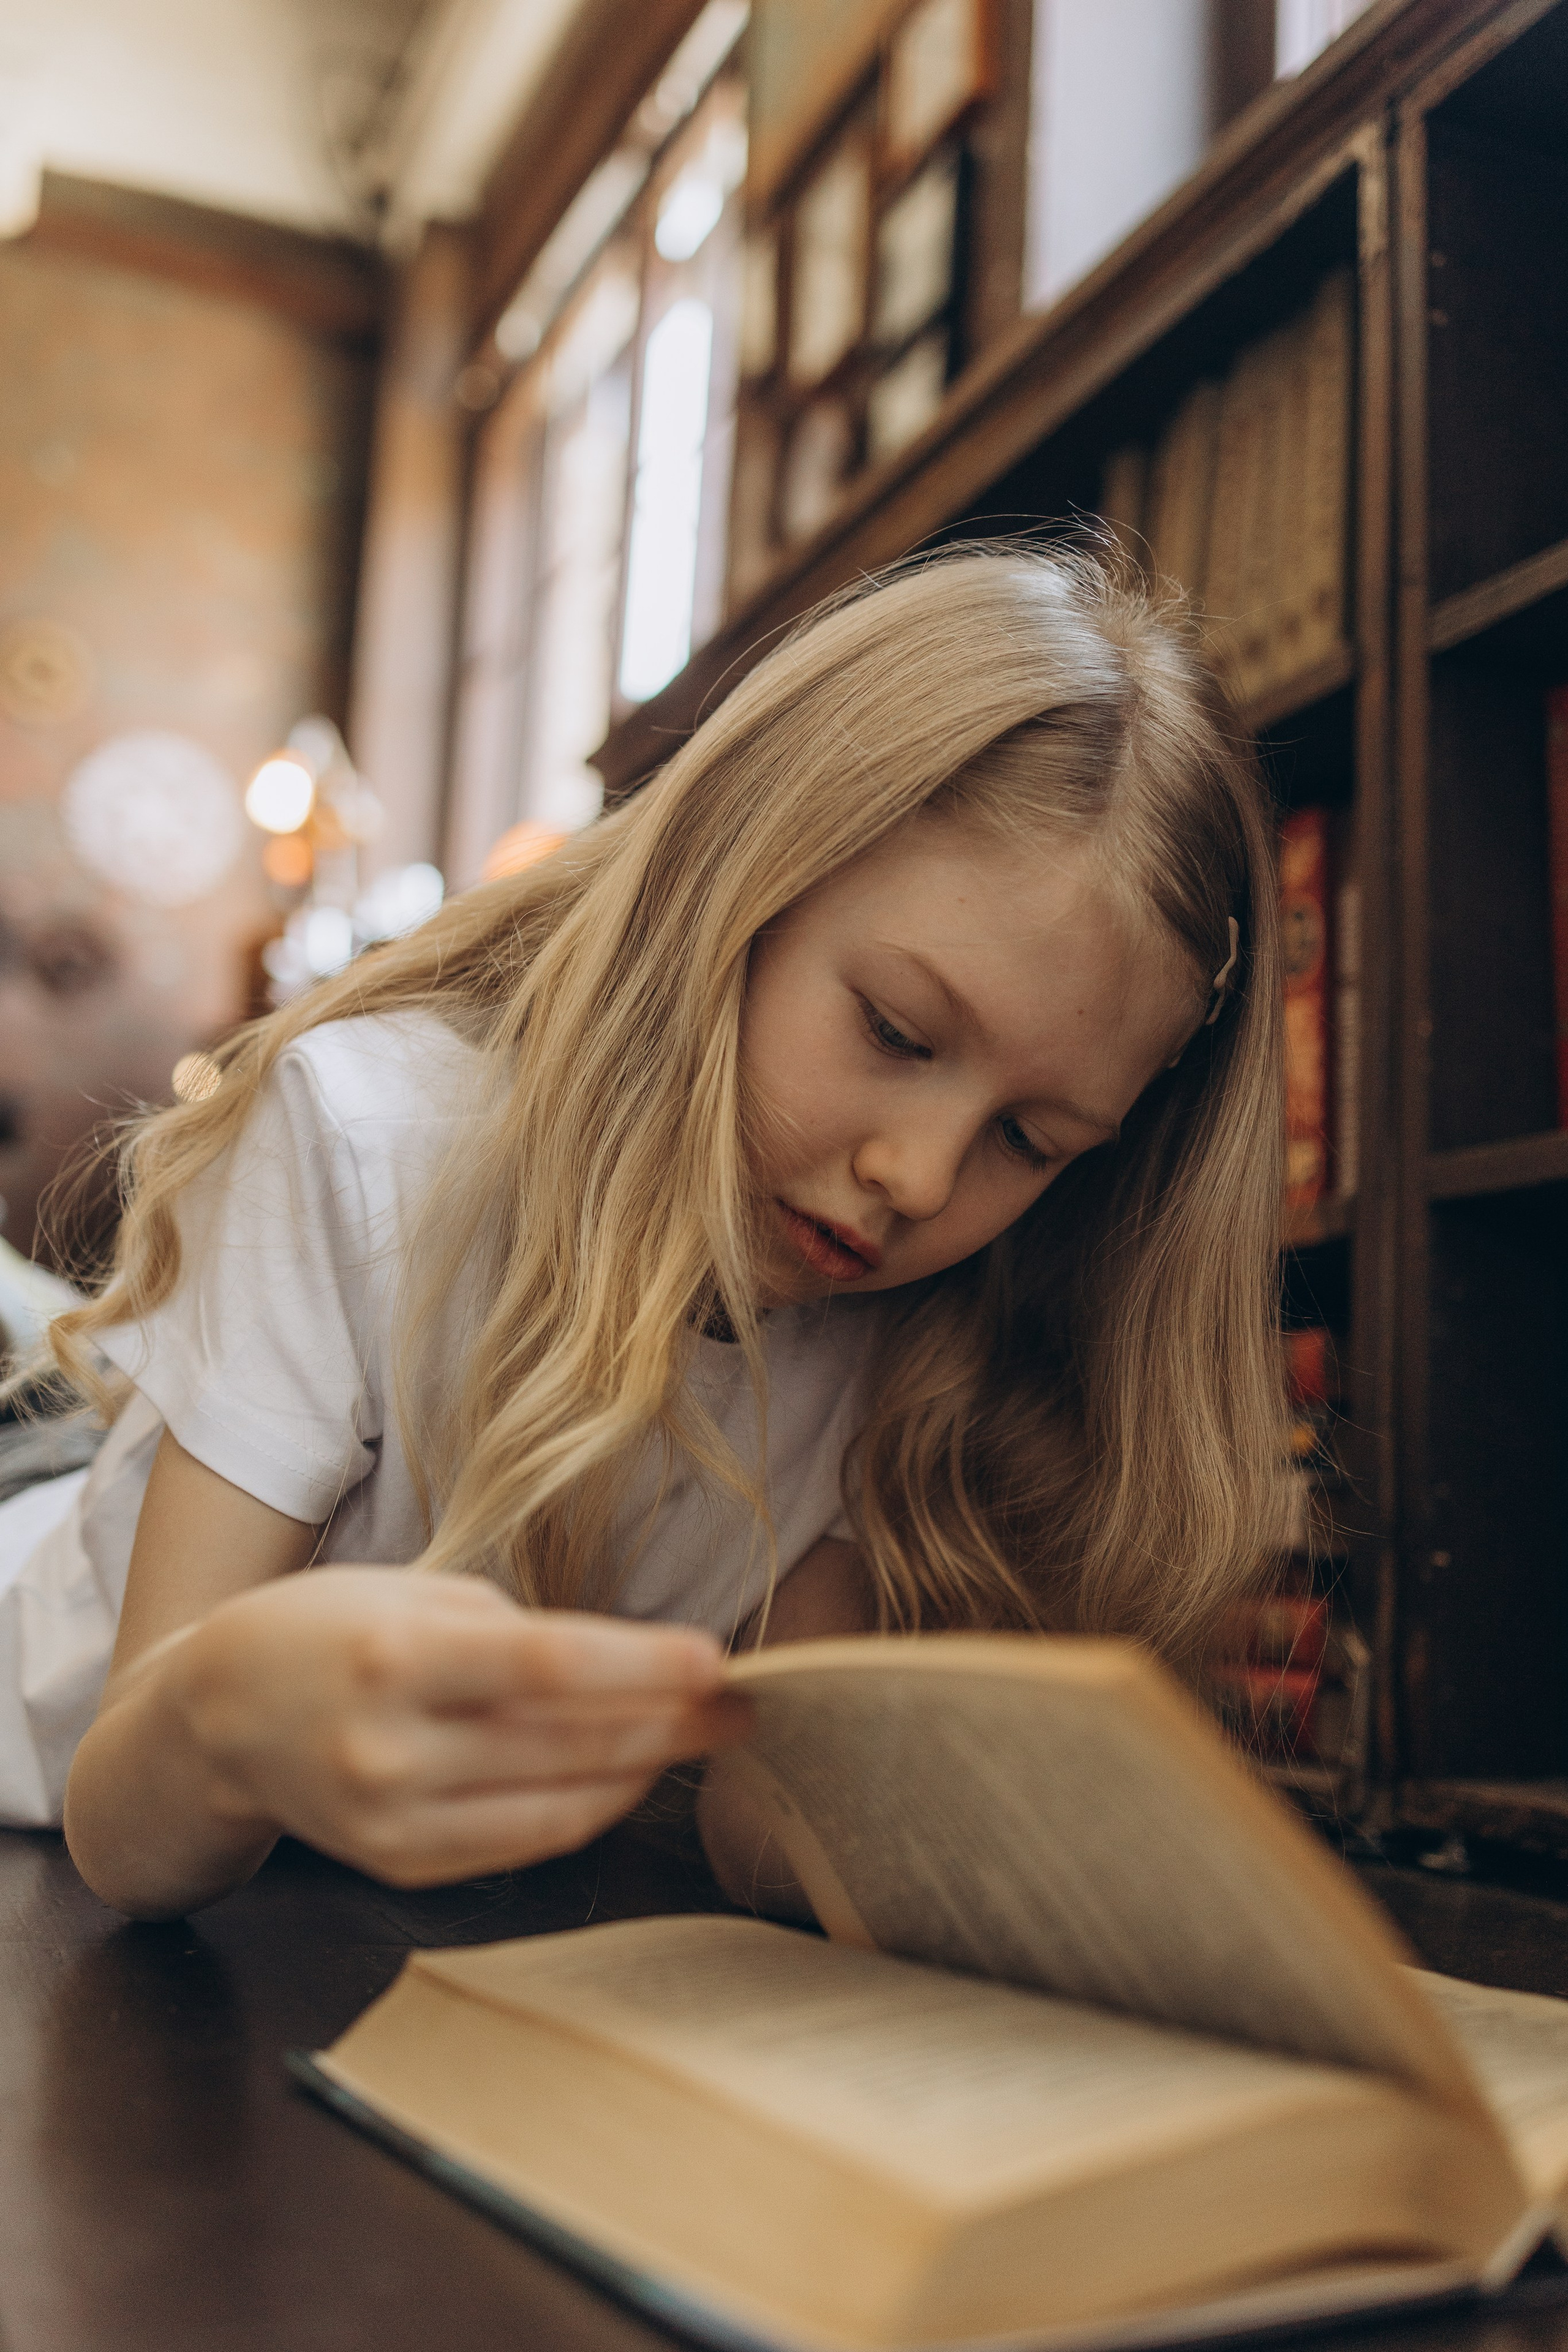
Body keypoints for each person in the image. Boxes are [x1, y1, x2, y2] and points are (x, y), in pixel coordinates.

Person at [2, 545, 1284, 1923]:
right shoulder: (360, 1134)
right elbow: (125, 1833)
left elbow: (760, 1816)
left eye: (1029, 1142)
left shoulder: (910, 1327)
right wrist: (227, 1712)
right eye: (896, 1032)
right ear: (733, 883)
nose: (917, 1179)